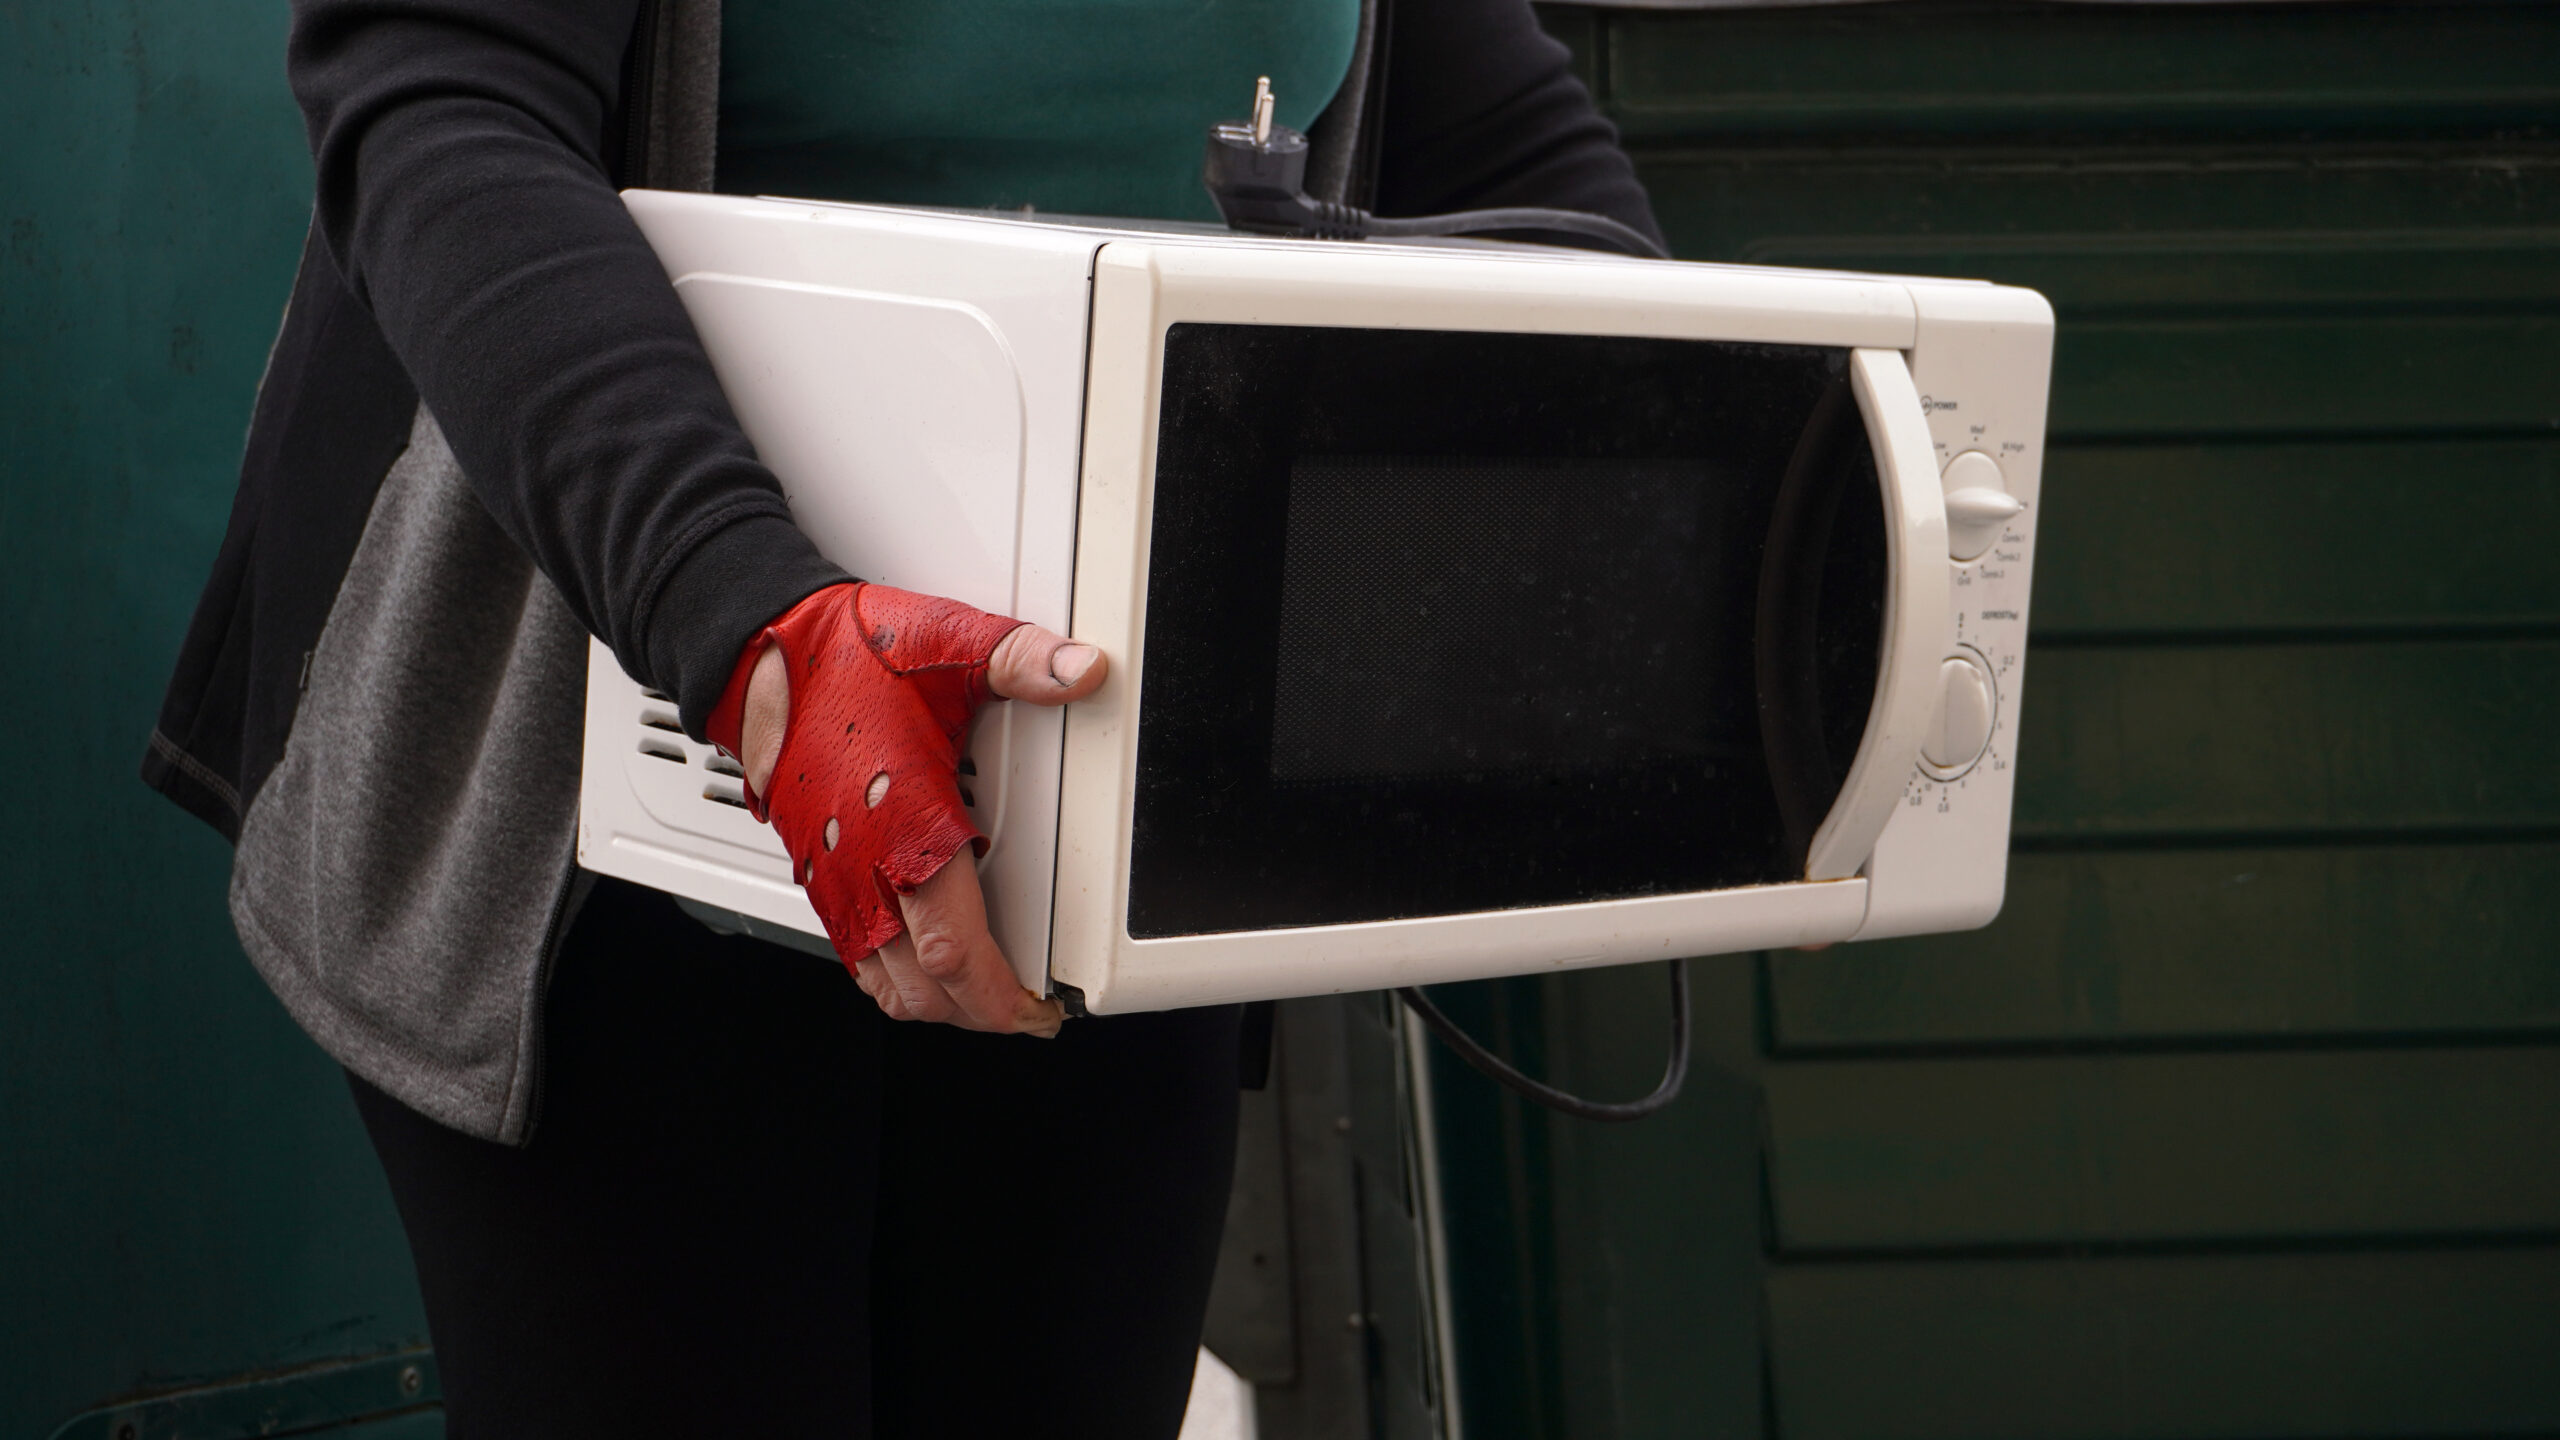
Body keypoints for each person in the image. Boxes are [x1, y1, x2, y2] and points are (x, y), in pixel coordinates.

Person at [141, 0, 1662, 1432]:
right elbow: (442, 108)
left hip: (1116, 832)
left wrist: (1662, 547)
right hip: (598, 800)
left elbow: (1521, 163)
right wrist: (749, 624)